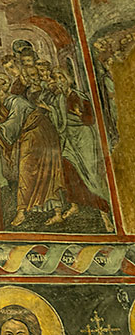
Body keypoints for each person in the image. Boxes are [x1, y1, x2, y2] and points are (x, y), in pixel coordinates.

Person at [0, 74, 64, 227]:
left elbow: (14, 122)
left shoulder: (16, 101)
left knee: (34, 169)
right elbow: (10, 119)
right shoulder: (3, 101)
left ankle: (29, 212)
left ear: (4, 86)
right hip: (30, 132)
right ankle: (43, 211)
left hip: (39, 132)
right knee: (31, 170)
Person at [48, 68, 113, 231]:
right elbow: (59, 120)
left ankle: (104, 214)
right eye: (56, 79)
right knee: (68, 170)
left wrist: (79, 114)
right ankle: (74, 205)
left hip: (83, 139)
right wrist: (50, 110)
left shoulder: (78, 97)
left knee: (91, 175)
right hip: (69, 140)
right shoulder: (60, 99)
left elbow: (90, 120)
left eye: (61, 77)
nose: (59, 81)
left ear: (68, 79)